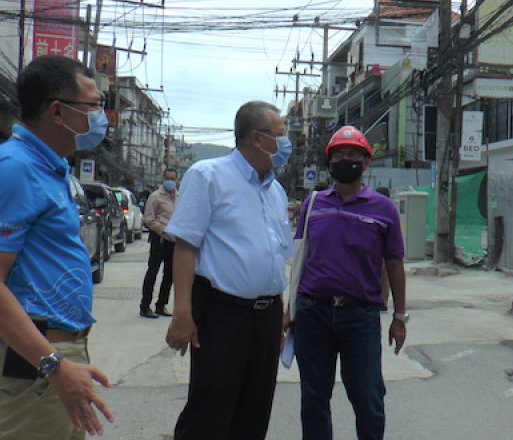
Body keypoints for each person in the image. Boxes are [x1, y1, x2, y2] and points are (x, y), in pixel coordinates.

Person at [0, 55, 114, 439]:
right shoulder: (14, 168)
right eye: (94, 105)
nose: (102, 115)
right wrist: (54, 365)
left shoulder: (50, 167)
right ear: (58, 111)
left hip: (50, 356)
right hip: (37, 361)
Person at [164, 100, 294, 439]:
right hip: (222, 314)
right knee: (211, 409)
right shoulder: (208, 175)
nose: (286, 142)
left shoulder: (275, 191)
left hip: (266, 317)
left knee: (255, 410)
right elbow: (185, 245)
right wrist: (182, 312)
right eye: (280, 135)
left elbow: (274, 254)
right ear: (257, 138)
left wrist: (279, 311)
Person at [285, 126, 407, 440]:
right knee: (313, 399)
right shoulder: (313, 206)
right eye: (339, 155)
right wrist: (289, 309)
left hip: (361, 317)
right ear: (330, 161)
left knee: (367, 399)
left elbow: (395, 265)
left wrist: (399, 318)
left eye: (354, 155)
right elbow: (299, 260)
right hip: (314, 313)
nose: (346, 160)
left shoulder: (384, 209)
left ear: (366, 163)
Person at [140, 168, 179, 318]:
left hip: (174, 241)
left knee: (169, 275)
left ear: (177, 180)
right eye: (167, 178)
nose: (170, 181)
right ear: (163, 179)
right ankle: (145, 306)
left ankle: (161, 305)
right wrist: (163, 230)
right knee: (153, 272)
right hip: (159, 238)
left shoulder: (179, 197)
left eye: (173, 178)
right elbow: (148, 219)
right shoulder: (155, 197)